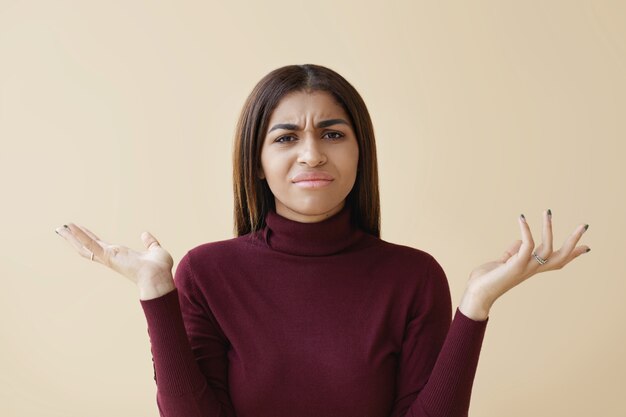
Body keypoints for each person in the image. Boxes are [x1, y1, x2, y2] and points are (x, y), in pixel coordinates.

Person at [55, 64, 590, 417]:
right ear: (258, 164)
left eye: (332, 134)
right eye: (286, 138)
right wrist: (156, 293)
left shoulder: (413, 276)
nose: (311, 154)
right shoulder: (205, 273)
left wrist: (475, 306)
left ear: (360, 152)